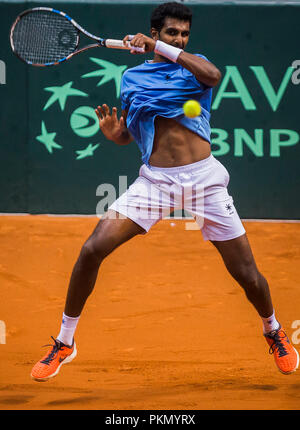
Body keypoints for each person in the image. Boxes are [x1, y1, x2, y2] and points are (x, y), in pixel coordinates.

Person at [31, 1, 298, 382]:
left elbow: (214, 75)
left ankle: (273, 330)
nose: (180, 38)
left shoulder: (194, 66)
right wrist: (116, 136)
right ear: (154, 32)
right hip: (156, 182)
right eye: (172, 33)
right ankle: (65, 341)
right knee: (92, 249)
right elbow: (132, 134)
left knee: (247, 275)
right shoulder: (133, 79)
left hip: (205, 180)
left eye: (185, 34)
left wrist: (164, 49)